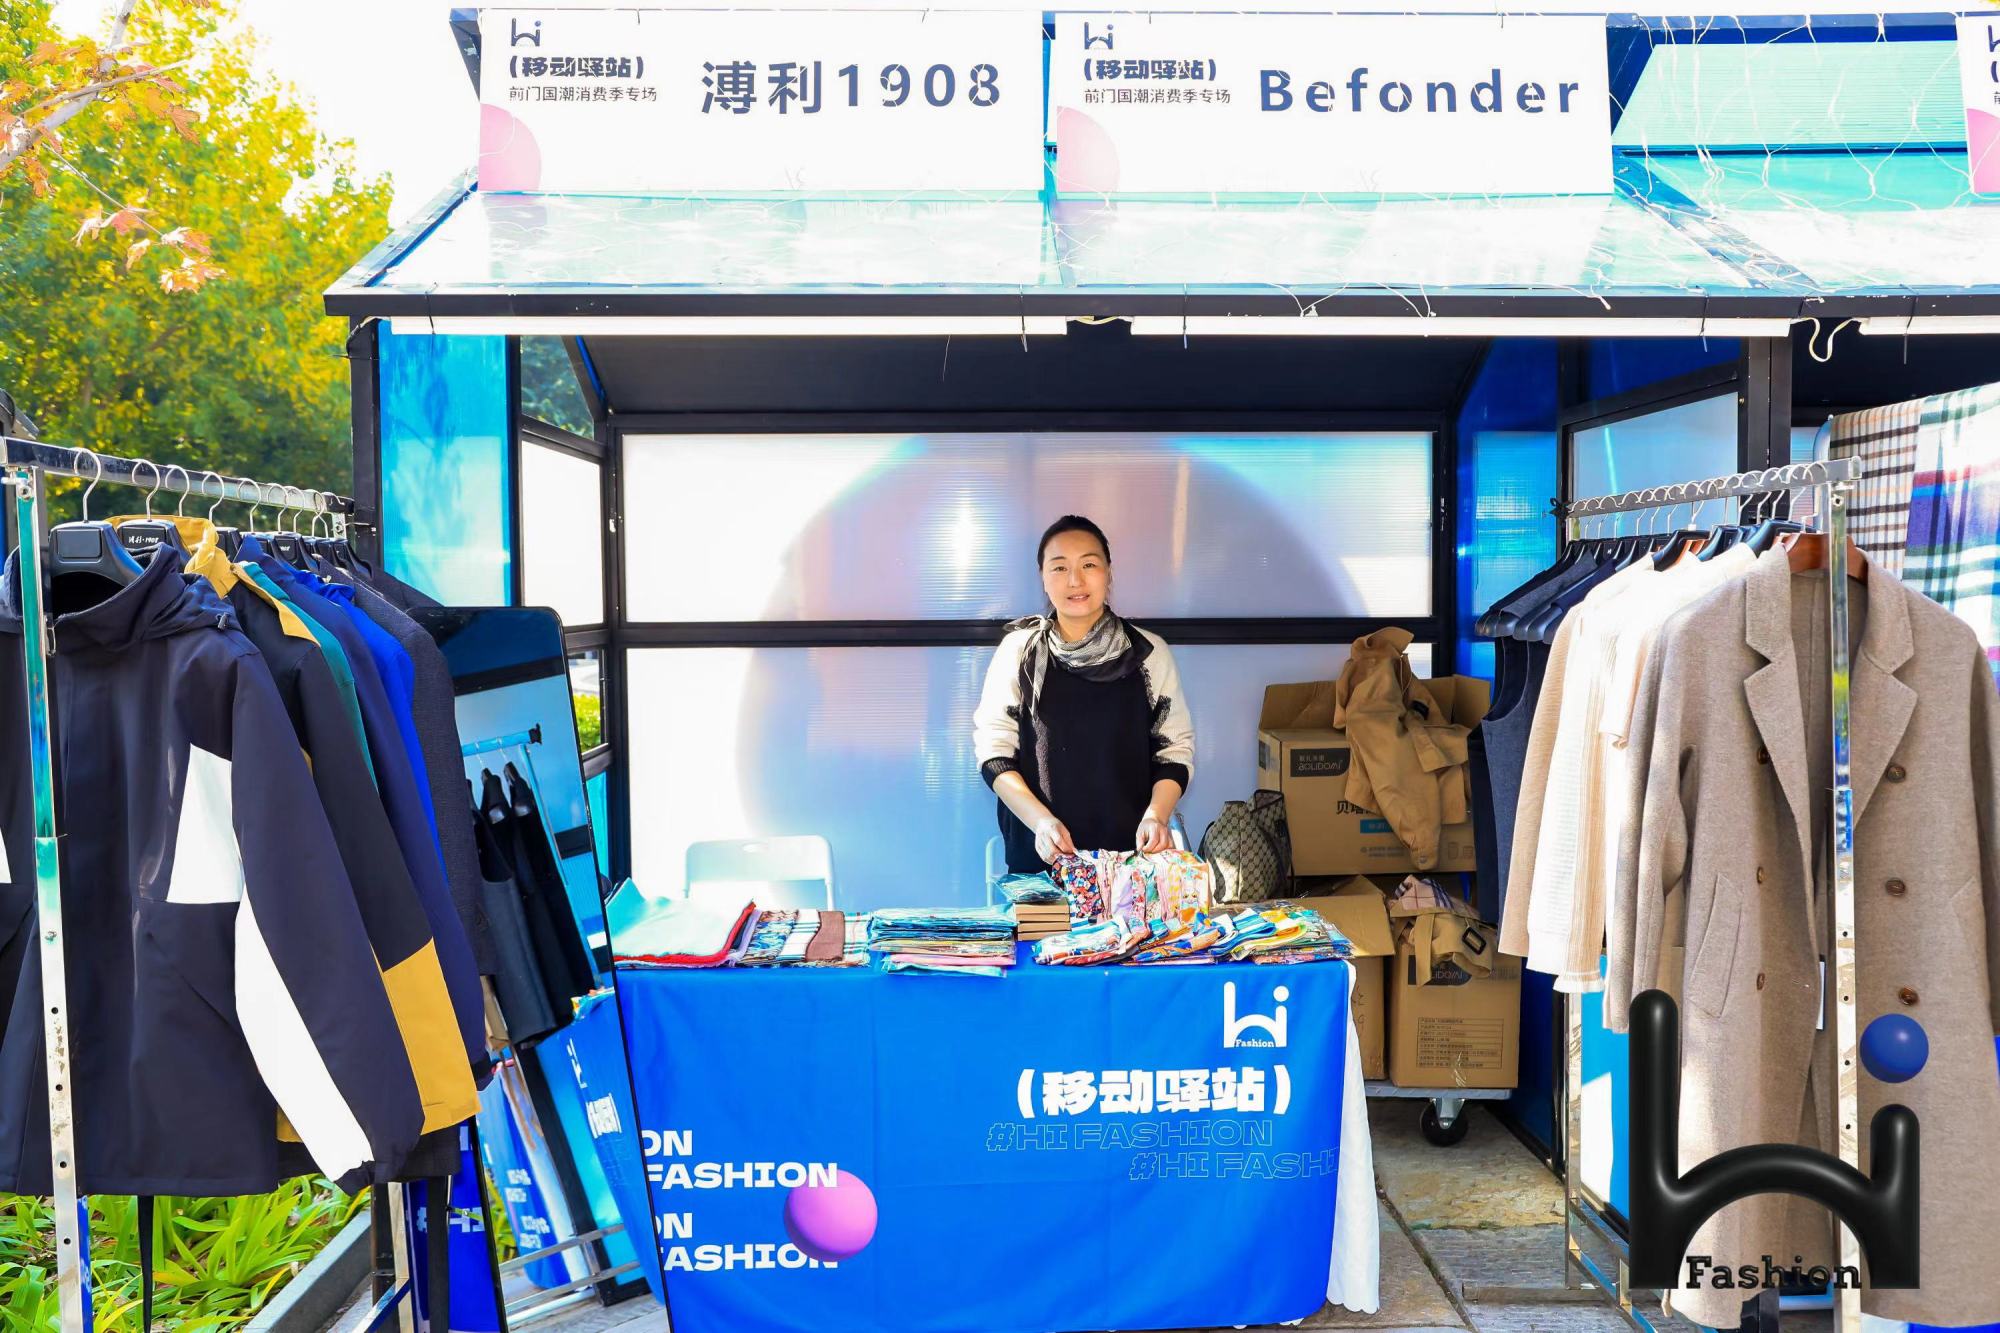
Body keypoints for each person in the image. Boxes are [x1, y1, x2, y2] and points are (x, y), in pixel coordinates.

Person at [973, 515, 1195, 872]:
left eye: (1089, 564)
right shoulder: (1019, 652)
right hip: (1042, 861)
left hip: (1130, 866)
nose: (1075, 580)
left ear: (1108, 572)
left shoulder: (1148, 653)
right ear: (1043, 577)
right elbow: (994, 754)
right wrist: (1041, 823)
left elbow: (1174, 751)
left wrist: (1156, 816)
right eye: (1059, 567)